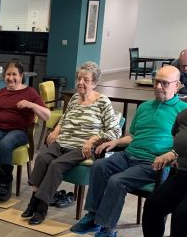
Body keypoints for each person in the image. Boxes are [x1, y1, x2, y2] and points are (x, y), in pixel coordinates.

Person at [70, 65, 187, 237]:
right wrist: (115, 142)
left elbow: (186, 144)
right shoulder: (144, 107)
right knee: (99, 166)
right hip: (129, 154)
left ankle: (108, 233)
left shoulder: (184, 111)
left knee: (117, 181)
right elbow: (133, 136)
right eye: (156, 81)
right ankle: (93, 216)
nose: (158, 86)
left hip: (152, 163)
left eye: (164, 83)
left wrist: (172, 154)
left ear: (177, 86)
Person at [21, 62, 121, 225]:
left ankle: (41, 208)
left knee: (55, 165)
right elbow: (66, 117)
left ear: (94, 83)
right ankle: (34, 201)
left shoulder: (103, 101)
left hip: (81, 147)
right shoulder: (74, 98)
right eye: (79, 78)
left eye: (86, 80)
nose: (81, 82)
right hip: (62, 141)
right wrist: (56, 130)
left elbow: (115, 131)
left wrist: (93, 139)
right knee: (42, 159)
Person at [125, 107, 187, 237]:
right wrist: (173, 153)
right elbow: (179, 141)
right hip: (183, 174)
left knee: (183, 215)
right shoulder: (184, 116)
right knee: (154, 204)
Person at [0, 61, 50, 202]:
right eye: (8, 74)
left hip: (20, 131)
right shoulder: (1, 92)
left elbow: (46, 115)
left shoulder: (30, 92)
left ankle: (4, 186)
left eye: (14, 74)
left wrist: (31, 105)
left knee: (4, 145)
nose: (11, 78)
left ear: (21, 76)